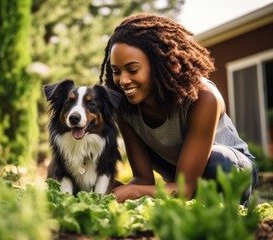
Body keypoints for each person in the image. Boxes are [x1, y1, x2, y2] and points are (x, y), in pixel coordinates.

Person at [99, 13, 258, 206]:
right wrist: (110, 190)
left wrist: (133, 191)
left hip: (232, 169)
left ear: (159, 63)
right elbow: (143, 180)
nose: (123, 80)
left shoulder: (203, 98)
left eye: (132, 70)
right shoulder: (124, 107)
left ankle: (234, 210)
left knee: (217, 162)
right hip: (180, 179)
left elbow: (186, 188)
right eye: (116, 71)